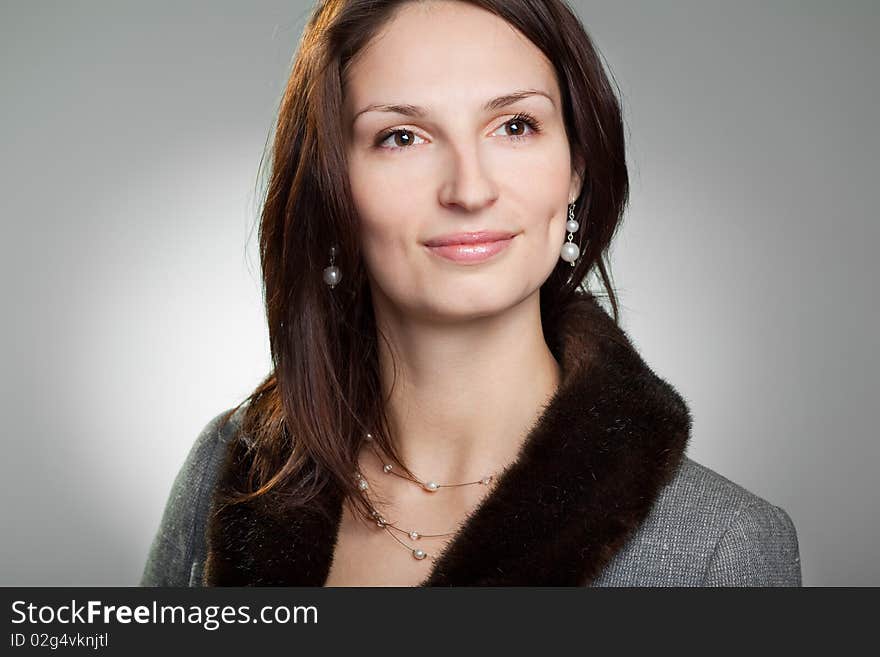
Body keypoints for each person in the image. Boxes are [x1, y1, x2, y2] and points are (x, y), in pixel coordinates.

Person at [141, 0, 801, 587]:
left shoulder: (723, 550)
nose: (469, 188)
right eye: (402, 136)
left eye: (515, 125)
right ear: (332, 187)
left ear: (575, 165)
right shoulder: (229, 473)